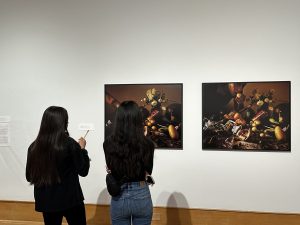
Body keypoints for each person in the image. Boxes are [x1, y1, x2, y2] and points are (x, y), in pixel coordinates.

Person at [26, 106, 90, 225]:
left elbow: (29, 177)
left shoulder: (33, 147)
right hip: (70, 200)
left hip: (46, 202)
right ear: (63, 123)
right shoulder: (70, 144)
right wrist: (82, 150)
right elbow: (83, 170)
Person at [103, 100, 155, 225]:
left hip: (119, 196)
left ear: (118, 118)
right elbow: (148, 170)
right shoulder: (147, 144)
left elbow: (111, 168)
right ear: (138, 118)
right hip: (141, 194)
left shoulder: (108, 143)